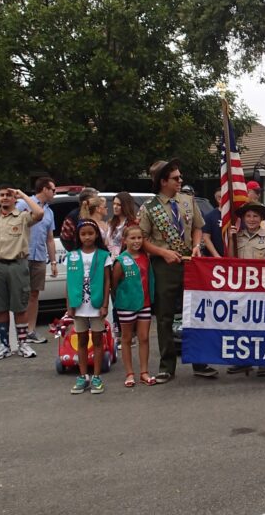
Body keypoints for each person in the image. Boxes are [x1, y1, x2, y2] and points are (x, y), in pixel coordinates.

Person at [138, 159, 217, 382]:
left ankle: (199, 362)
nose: (180, 181)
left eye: (180, 177)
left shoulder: (187, 200)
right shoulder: (149, 208)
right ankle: (166, 366)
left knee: (194, 312)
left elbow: (198, 228)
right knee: (164, 316)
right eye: (175, 178)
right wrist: (162, 253)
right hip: (165, 266)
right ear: (163, 182)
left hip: (190, 263)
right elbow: (141, 240)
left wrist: (196, 245)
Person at [0, 185, 44, 360]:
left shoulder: (22, 217)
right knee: (0, 307)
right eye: (2, 195)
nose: (5, 198)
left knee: (20, 306)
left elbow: (39, 213)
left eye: (9, 195)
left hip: (17, 264)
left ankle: (23, 343)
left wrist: (22, 194)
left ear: (15, 199)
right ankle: (4, 345)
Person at [226, 201, 265, 375]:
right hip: (242, 289)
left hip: (262, 289)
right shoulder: (237, 236)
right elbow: (230, 260)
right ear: (243, 218)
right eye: (248, 216)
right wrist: (231, 239)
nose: (252, 219)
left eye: (255, 216)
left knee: (262, 326)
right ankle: (243, 360)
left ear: (261, 218)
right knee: (242, 325)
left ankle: (263, 361)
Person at [66, 220, 112, 394]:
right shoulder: (72, 255)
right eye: (83, 234)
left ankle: (97, 377)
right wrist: (69, 305)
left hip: (97, 304)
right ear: (78, 236)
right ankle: (83, 376)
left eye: (90, 233)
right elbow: (69, 283)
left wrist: (105, 304)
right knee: (82, 341)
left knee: (98, 340)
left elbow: (107, 280)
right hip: (79, 305)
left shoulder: (103, 255)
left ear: (96, 235)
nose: (87, 237)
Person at [111, 225, 155, 388]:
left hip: (145, 303)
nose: (137, 241)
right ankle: (129, 373)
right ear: (125, 240)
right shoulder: (121, 261)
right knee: (127, 339)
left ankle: (144, 372)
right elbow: (114, 285)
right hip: (126, 305)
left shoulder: (146, 256)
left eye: (139, 238)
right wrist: (121, 301)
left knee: (144, 337)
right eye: (132, 238)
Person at [15, 177, 57, 345]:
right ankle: (19, 331)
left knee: (34, 294)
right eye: (53, 190)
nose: (54, 193)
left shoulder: (50, 212)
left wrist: (53, 261)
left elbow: (50, 239)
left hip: (39, 257)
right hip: (22, 256)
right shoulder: (23, 204)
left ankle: (31, 330)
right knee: (20, 294)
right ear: (45, 189)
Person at [106, 192, 139, 258]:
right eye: (114, 204)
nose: (115, 207)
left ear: (126, 206)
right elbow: (106, 242)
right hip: (109, 260)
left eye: (119, 205)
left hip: (124, 260)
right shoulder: (110, 223)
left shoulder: (132, 224)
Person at [201, 188, 225, 258]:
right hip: (214, 258)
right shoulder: (209, 217)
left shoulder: (234, 216)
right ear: (219, 199)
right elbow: (206, 238)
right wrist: (216, 256)